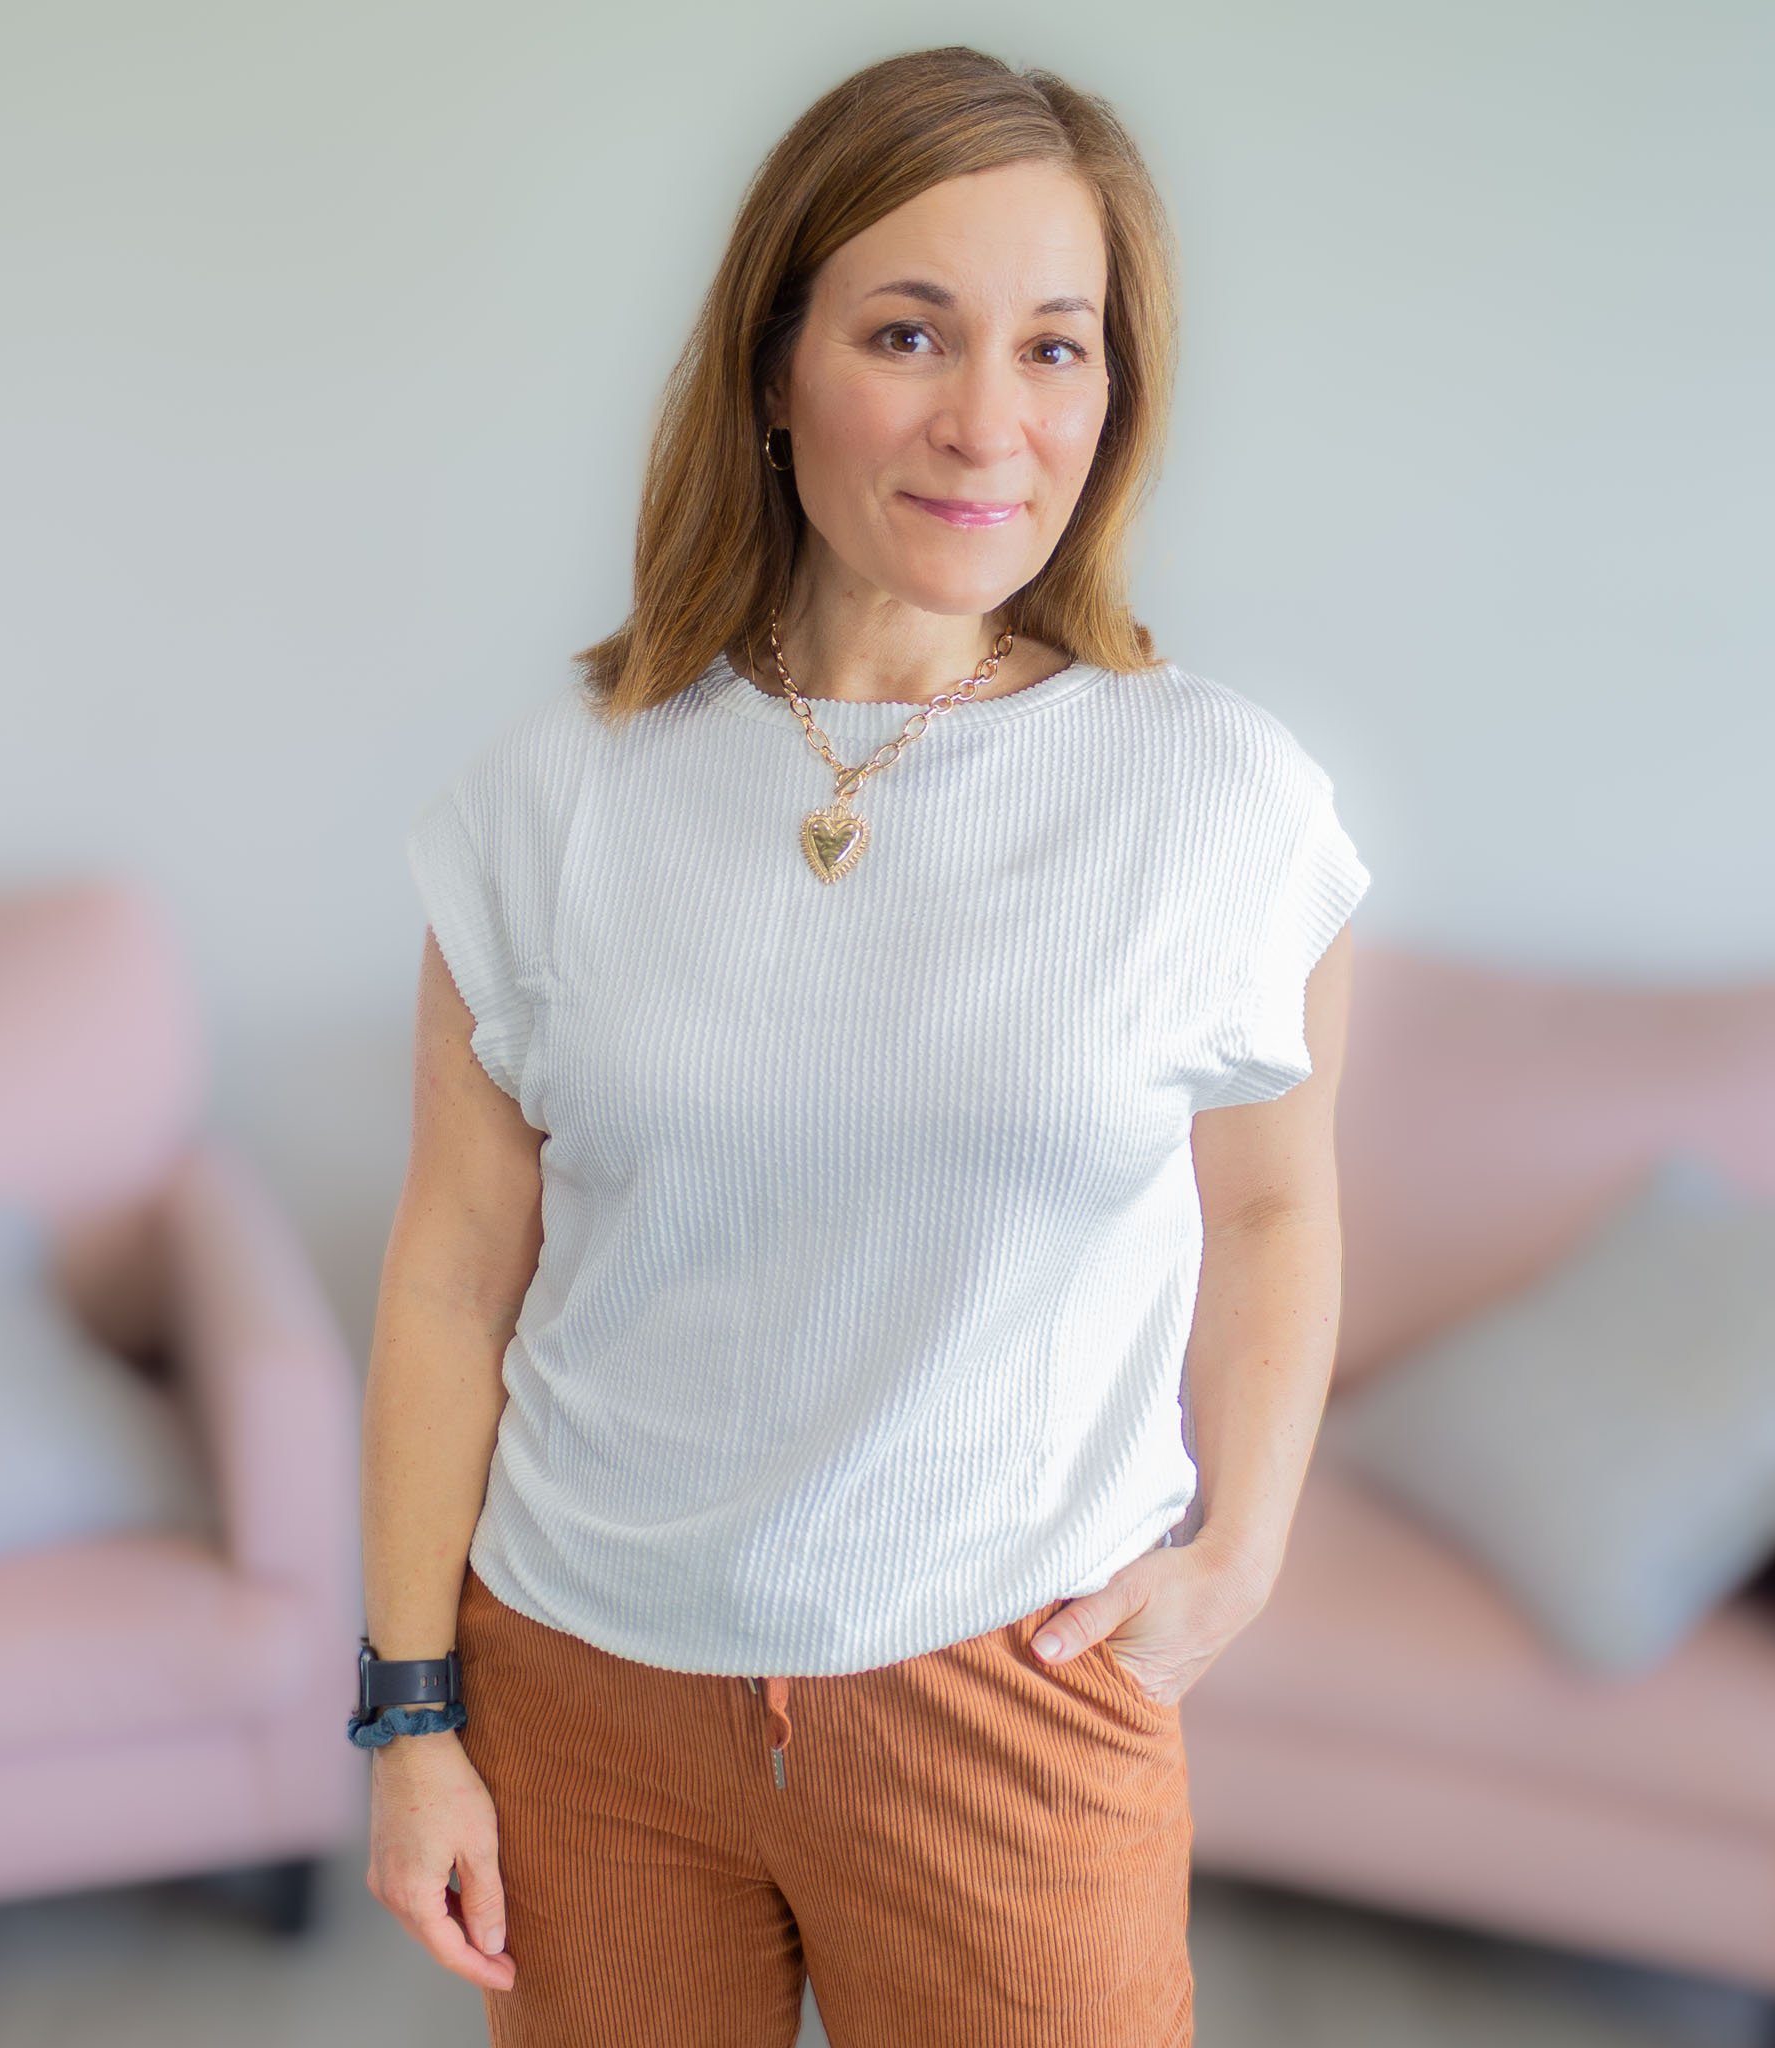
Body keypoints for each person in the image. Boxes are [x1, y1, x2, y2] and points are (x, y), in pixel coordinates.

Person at [360, 41, 1371, 2048]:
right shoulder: (553, 794)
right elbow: (451, 1271)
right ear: (773, 360)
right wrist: (410, 1712)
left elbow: (1267, 1211)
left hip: (1012, 1699)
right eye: (908, 332)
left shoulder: (1219, 798)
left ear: (1116, 389)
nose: (988, 420)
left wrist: (1238, 1556)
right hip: (583, 1687)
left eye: (1055, 348)